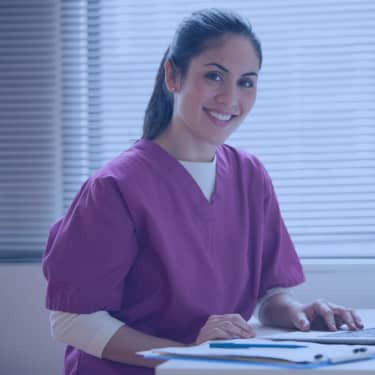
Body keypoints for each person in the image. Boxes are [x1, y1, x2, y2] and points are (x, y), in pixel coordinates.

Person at [42, 8, 363, 375]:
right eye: (214, 76)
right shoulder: (115, 188)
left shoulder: (251, 176)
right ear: (172, 75)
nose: (230, 98)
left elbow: (269, 294)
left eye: (246, 82)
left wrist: (298, 313)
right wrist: (186, 353)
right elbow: (71, 322)